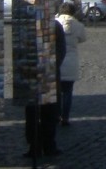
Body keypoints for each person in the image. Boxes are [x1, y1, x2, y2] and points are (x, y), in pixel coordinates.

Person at [25, 17, 65, 158]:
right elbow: (61, 50)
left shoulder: (54, 26)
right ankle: (38, 145)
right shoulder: (53, 25)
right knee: (36, 114)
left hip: (45, 75)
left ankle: (45, 145)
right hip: (42, 75)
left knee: (46, 113)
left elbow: (61, 50)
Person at [55, 2, 87, 126]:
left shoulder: (55, 23)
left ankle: (56, 115)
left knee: (56, 91)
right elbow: (83, 39)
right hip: (71, 61)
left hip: (57, 60)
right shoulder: (78, 25)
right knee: (68, 92)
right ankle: (65, 117)